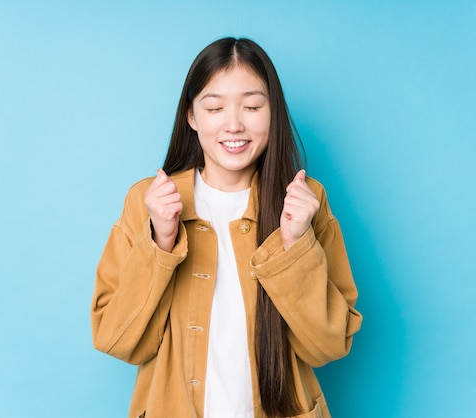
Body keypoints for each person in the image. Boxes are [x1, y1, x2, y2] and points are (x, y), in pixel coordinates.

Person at [91, 37, 362, 418]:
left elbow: (328, 345)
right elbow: (117, 339)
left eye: (252, 106)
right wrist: (160, 243)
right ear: (192, 116)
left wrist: (295, 244)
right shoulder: (149, 201)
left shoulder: (304, 201)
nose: (234, 125)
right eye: (215, 107)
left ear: (273, 113)